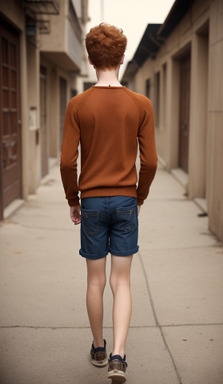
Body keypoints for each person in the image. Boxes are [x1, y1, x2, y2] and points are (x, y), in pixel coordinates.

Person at [60, 23, 157, 384]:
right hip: (125, 200)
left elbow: (67, 162)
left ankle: (98, 348)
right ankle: (118, 356)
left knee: (95, 280)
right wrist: (139, 195)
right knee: (123, 281)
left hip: (93, 203)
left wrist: (74, 199)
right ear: (122, 57)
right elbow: (150, 162)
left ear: (89, 57)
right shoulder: (140, 104)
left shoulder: (78, 105)